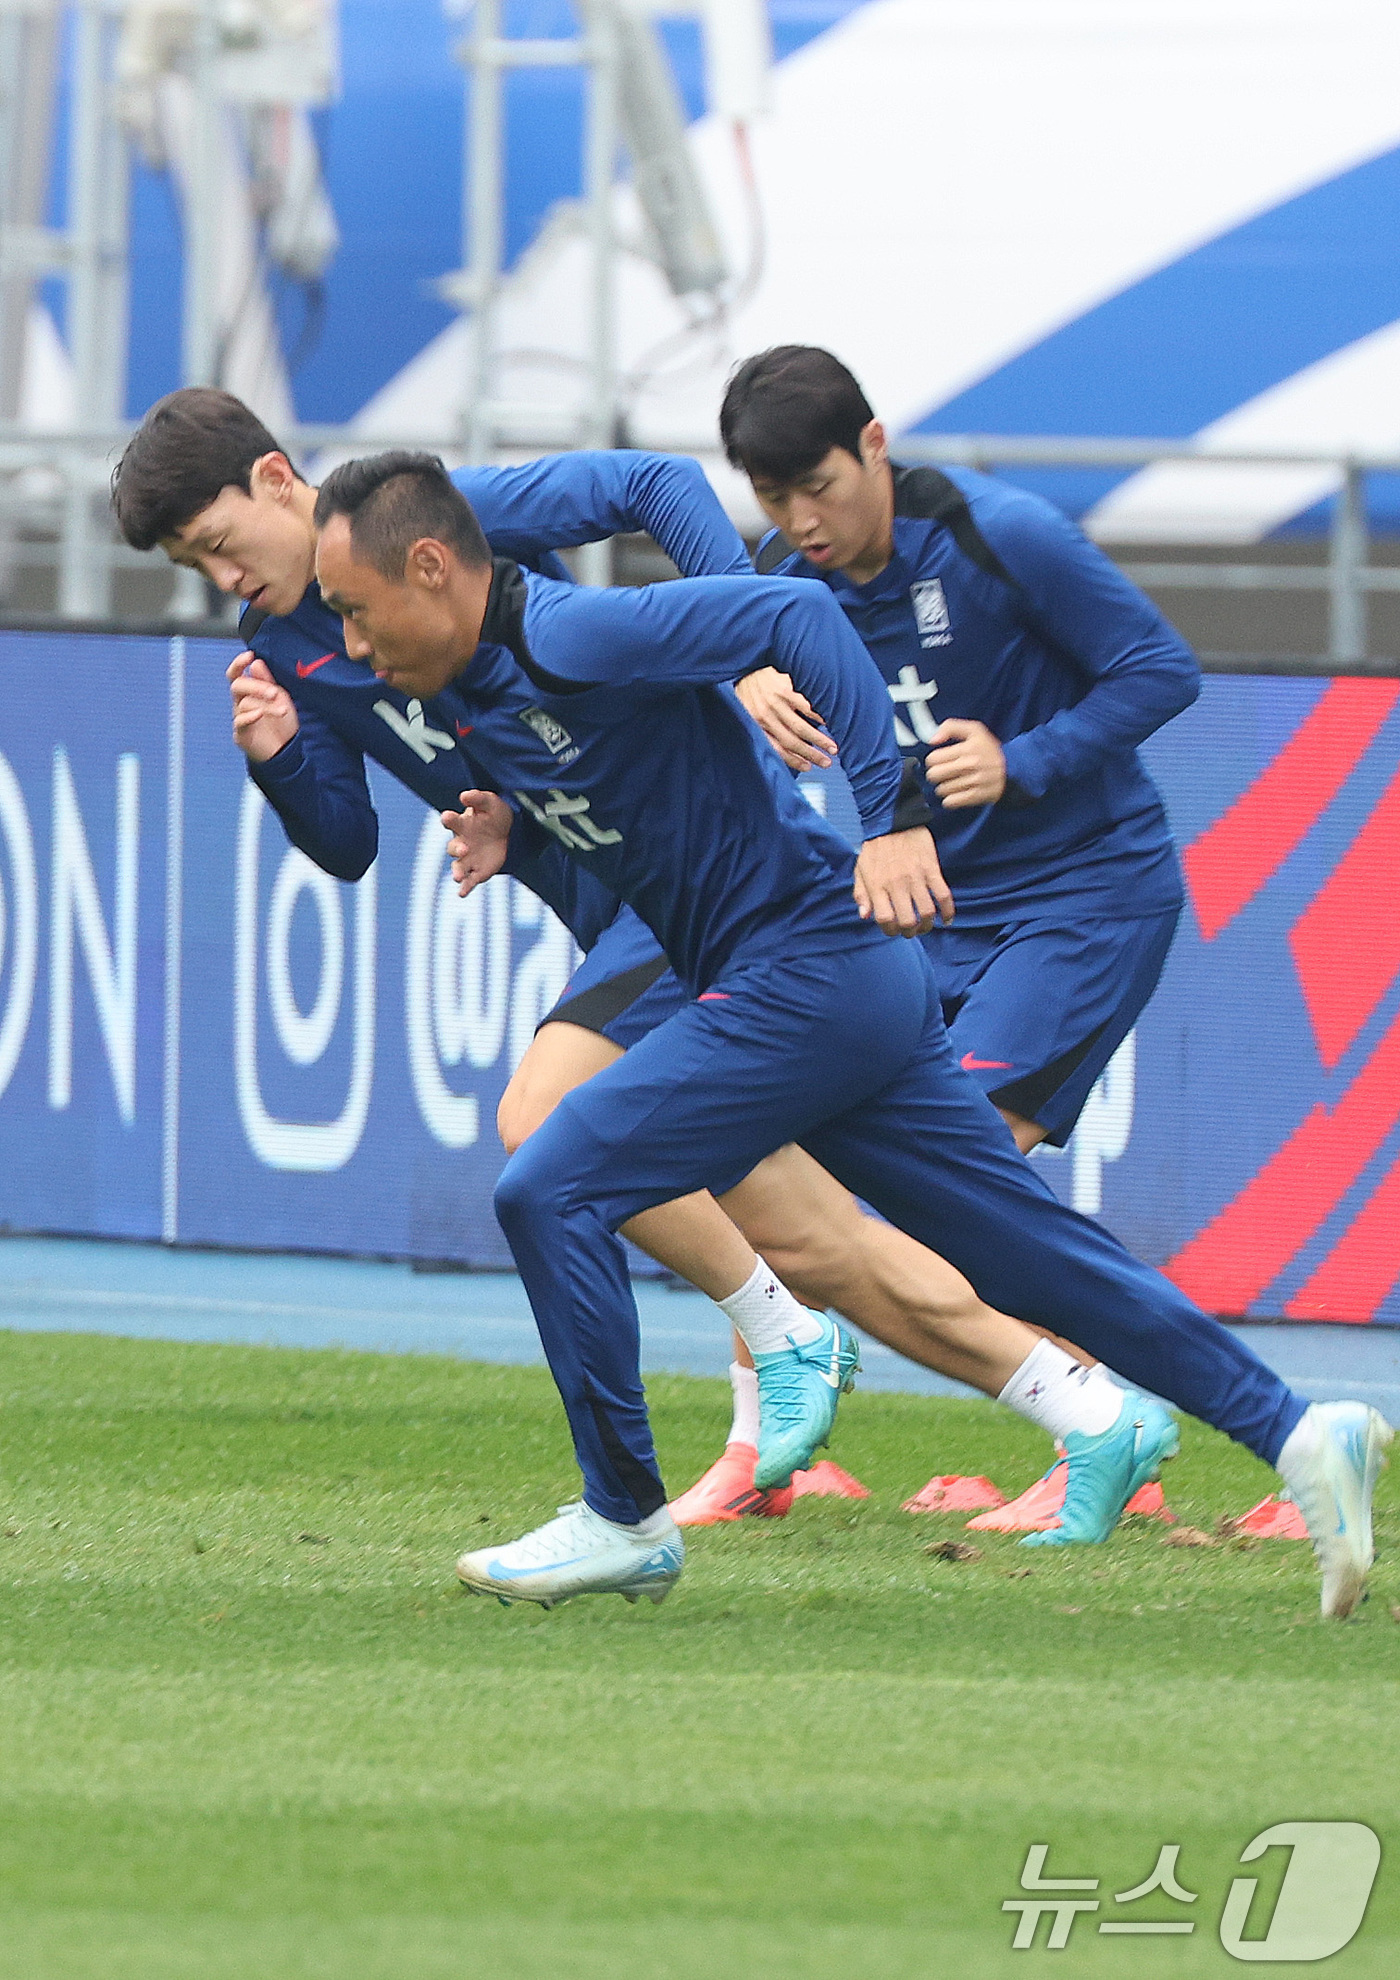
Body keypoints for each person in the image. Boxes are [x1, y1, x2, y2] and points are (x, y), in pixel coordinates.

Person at [311, 447, 1387, 1621]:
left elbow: (796, 611)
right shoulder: (470, 684)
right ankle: (1296, 1431)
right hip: (846, 985)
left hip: (801, 973)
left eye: (359, 616)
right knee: (1029, 1256)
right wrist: (515, 836)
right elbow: (639, 828)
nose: (357, 650)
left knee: (549, 1184)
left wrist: (893, 816)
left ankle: (623, 1516)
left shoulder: (571, 634)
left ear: (430, 567)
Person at [110, 388, 1163, 1534]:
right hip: (620, 909)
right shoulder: (278, 648)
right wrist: (275, 762)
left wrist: (745, 638)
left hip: (686, 891)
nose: (220, 578)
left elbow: (651, 483)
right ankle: (1092, 1418)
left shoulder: (430, 524)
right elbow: (349, 843)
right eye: (190, 565)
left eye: (215, 544)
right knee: (817, 1236)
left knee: (540, 1118)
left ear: (274, 481)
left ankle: (773, 1354)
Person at [662, 343, 1205, 1522]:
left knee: (960, 1174)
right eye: (772, 498)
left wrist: (1025, 759)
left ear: (873, 447)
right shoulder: (770, 582)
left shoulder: (996, 533)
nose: (802, 520)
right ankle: (767, 1460)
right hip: (920, 921)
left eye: (820, 486)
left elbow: (1160, 669)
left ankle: (1098, 1447)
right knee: (774, 1147)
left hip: (1079, 900)